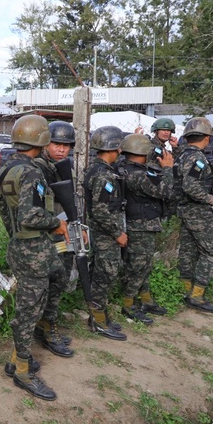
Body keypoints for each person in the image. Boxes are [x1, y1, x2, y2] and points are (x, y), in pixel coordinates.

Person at [0, 115, 66, 401]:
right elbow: (30, 214)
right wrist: (55, 223)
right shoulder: (32, 172)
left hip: (21, 244)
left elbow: (7, 212)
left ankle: (16, 359)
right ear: (41, 140)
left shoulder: (6, 168)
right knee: (28, 311)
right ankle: (23, 371)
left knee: (45, 291)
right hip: (33, 247)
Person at [117, 134, 174, 324]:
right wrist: (167, 169)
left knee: (143, 265)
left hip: (140, 224)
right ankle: (128, 304)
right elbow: (165, 191)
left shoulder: (127, 169)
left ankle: (145, 299)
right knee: (138, 267)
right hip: (140, 226)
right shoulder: (136, 174)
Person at [31, 120, 76, 358]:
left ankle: (46, 325)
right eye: (56, 143)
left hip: (63, 230)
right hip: (47, 233)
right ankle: (47, 330)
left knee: (59, 279)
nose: (61, 149)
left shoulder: (63, 166)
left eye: (66, 145)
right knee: (53, 281)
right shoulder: (40, 168)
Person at [176, 117, 213, 313]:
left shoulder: (182, 154)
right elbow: (190, 186)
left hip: (187, 210)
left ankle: (184, 290)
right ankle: (197, 296)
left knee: (188, 251)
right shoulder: (197, 158)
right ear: (206, 138)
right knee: (212, 251)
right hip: (199, 212)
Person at [83, 125, 128, 340]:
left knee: (101, 274)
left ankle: (99, 317)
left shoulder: (99, 169)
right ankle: (99, 321)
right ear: (114, 147)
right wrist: (117, 233)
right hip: (105, 234)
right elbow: (101, 210)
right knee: (104, 275)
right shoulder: (104, 176)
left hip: (102, 233)